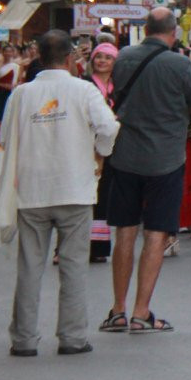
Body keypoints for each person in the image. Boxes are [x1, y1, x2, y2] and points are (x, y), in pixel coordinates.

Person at [0, 31, 120, 358]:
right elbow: (109, 128)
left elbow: (6, 139)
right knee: (74, 267)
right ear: (70, 59)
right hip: (74, 189)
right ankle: (72, 337)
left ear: (38, 56)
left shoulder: (22, 94)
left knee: (29, 268)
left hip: (32, 191)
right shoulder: (84, 90)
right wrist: (99, 154)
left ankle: (23, 340)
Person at [103, 8, 191, 335]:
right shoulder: (179, 63)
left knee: (124, 231)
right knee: (155, 234)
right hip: (166, 158)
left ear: (146, 28)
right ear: (173, 32)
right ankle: (141, 311)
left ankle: (118, 310)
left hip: (124, 156)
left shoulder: (122, 58)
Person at [85, 42, 119, 263]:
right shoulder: (85, 84)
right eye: (99, 57)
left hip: (112, 146)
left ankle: (98, 246)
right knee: (83, 197)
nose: (103, 61)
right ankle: (68, 246)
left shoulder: (120, 86)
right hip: (86, 145)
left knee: (103, 196)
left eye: (108, 58)